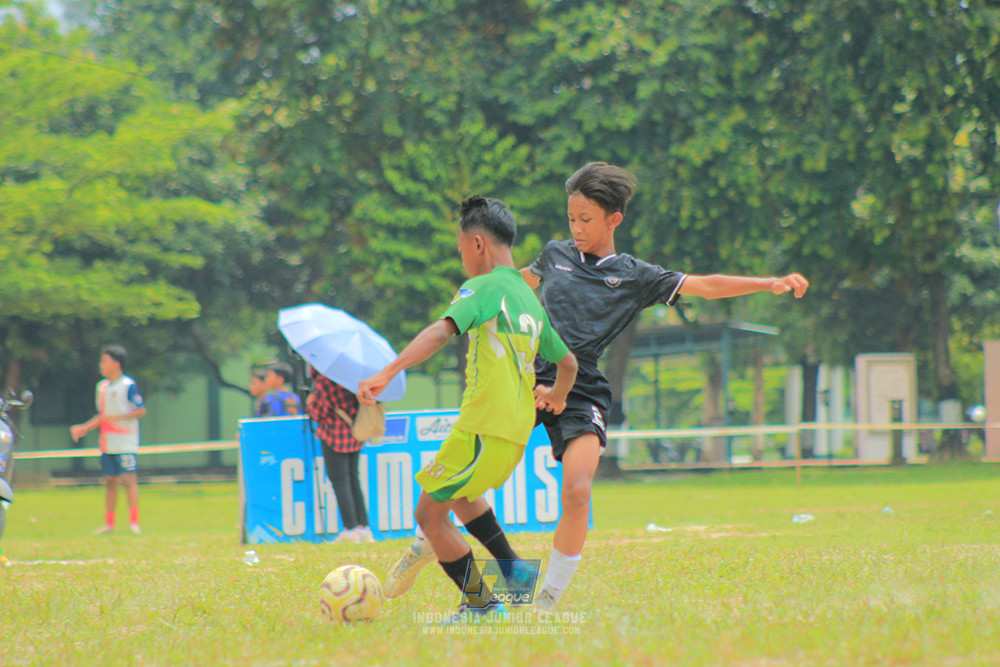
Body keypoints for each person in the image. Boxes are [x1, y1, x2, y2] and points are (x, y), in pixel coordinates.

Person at [381, 163, 810, 611]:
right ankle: (429, 541)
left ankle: (545, 597)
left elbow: (702, 285)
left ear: (613, 220)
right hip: (527, 379)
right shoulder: (553, 255)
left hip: (580, 386)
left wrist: (768, 283)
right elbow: (511, 285)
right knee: (471, 467)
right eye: (571, 219)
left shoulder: (635, 275)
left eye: (586, 219)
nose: (577, 228)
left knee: (578, 488)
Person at [358, 195, 578, 619]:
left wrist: (388, 372)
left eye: (461, 250)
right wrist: (557, 397)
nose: (462, 261)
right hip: (515, 435)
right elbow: (567, 363)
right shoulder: (530, 298)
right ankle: (513, 571)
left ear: (478, 244)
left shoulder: (484, 286)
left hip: (481, 428)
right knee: (461, 496)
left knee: (428, 515)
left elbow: (441, 332)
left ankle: (482, 604)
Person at [70, 344, 147, 535]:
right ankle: (110, 523)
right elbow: (102, 415)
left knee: (129, 480)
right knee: (110, 481)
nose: (101, 365)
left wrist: (119, 417)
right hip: (107, 443)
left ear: (116, 363)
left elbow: (141, 410)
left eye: (104, 361)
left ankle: (134, 522)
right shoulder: (102, 387)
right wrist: (84, 428)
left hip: (126, 443)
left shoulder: (128, 385)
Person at [305, 369, 374, 544]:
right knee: (353, 479)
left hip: (333, 435)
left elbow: (316, 412)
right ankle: (363, 527)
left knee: (340, 481)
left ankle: (350, 529)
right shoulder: (353, 378)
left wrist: (309, 400)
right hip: (354, 432)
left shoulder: (324, 382)